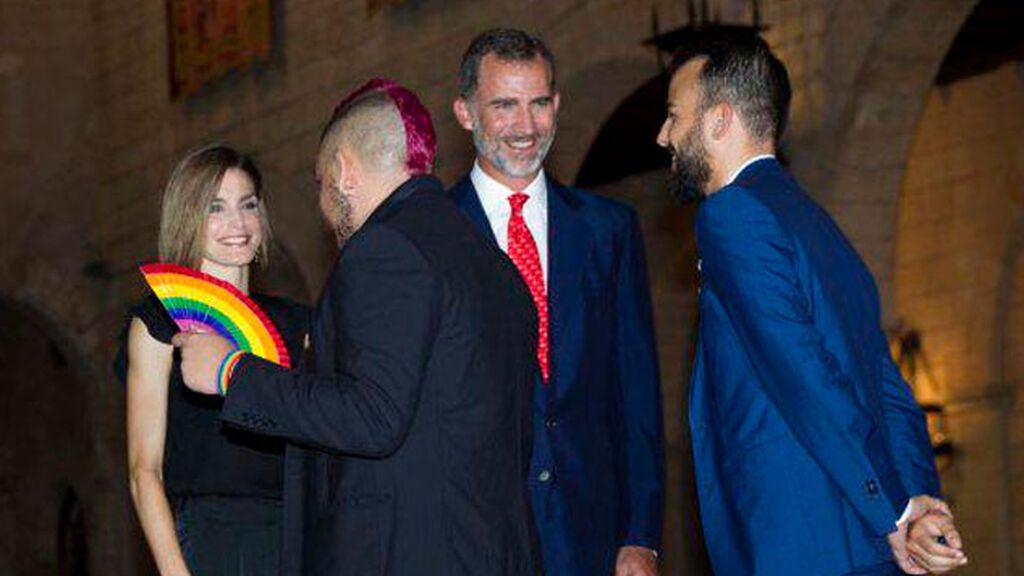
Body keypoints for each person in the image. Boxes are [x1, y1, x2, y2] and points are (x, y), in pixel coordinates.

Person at [174, 79, 541, 576]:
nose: (325, 214)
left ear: (345, 170)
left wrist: (230, 372)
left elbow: (372, 416)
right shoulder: (495, 265)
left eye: (321, 184)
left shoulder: (383, 248)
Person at [657, 35, 968, 575]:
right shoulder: (819, 226)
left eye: (673, 115)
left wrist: (894, 512)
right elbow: (887, 385)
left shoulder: (730, 215)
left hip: (798, 547)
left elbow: (802, 373)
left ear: (719, 121)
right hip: (863, 548)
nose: (663, 136)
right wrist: (915, 499)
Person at [450, 28, 665, 576]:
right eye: (504, 106)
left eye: (539, 103)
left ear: (557, 105)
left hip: (593, 536)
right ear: (465, 112)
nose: (525, 127)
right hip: (472, 537)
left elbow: (636, 392)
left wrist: (641, 536)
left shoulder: (608, 230)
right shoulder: (430, 236)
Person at [121, 144, 309, 575]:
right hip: (212, 541)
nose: (238, 223)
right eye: (216, 208)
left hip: (298, 537)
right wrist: (174, 571)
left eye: (248, 204)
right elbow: (142, 470)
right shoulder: (156, 323)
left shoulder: (299, 322)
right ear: (188, 218)